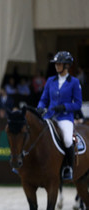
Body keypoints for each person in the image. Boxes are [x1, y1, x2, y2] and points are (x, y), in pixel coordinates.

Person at [37, 51, 82, 180]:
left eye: (59, 63)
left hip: (65, 118)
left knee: (67, 140)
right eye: (56, 63)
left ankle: (69, 168)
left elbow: (78, 104)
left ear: (66, 65)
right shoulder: (50, 80)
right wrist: (40, 108)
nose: (56, 66)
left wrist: (65, 107)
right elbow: (43, 99)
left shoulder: (74, 82)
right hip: (50, 116)